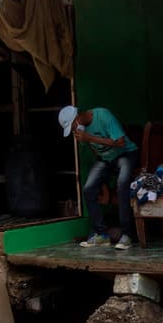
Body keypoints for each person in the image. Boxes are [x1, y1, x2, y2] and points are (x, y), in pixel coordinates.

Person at [59, 105, 138, 250]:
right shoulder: (82, 134)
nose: (74, 131)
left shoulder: (103, 115)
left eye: (73, 127)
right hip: (105, 159)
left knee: (122, 185)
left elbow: (120, 142)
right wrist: (103, 182)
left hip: (125, 154)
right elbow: (96, 150)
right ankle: (101, 235)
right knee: (88, 188)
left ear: (77, 119)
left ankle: (127, 235)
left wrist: (90, 137)